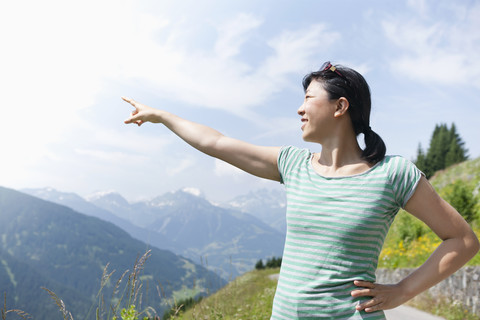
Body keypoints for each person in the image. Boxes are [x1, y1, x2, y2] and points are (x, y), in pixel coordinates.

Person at [122, 61, 479, 319]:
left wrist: (403, 291)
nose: (299, 109)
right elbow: (215, 142)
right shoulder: (293, 164)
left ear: (340, 107)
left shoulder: (392, 173)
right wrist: (162, 116)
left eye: (308, 98)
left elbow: (462, 241)